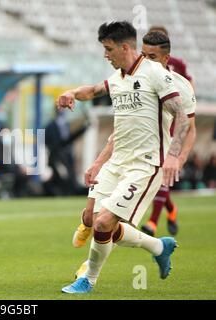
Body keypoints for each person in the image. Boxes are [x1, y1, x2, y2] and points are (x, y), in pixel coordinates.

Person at [57, 21, 190, 294]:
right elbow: (93, 91)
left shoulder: (155, 74)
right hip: (118, 161)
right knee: (94, 220)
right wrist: (71, 93)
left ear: (125, 47)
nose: (105, 55)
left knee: (105, 222)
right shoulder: (118, 78)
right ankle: (158, 246)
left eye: (108, 49)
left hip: (145, 164)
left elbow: (181, 116)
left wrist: (174, 155)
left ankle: (88, 280)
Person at [140, 26, 195, 237]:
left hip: (173, 128)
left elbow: (189, 94)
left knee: (161, 176)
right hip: (150, 130)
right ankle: (171, 209)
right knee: (154, 177)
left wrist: (180, 155)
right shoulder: (141, 69)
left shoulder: (178, 67)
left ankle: (152, 223)